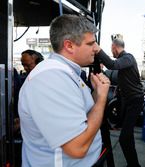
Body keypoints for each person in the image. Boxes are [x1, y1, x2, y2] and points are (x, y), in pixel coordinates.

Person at [18, 14, 110, 167]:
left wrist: (97, 92)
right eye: (91, 43)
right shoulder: (50, 79)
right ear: (69, 46)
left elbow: (82, 114)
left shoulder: (67, 72)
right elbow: (77, 147)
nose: (96, 48)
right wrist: (101, 99)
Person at [95, 34, 143, 167]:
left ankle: (134, 165)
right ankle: (133, 164)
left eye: (111, 49)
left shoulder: (128, 58)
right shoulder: (124, 63)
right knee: (127, 136)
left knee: (124, 138)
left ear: (114, 47)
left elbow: (112, 65)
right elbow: (113, 74)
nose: (111, 52)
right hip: (127, 102)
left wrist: (97, 50)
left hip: (135, 101)